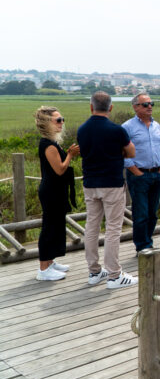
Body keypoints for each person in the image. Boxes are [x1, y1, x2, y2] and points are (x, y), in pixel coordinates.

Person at [77, 91, 138, 289]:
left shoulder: (82, 129)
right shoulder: (117, 130)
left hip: (90, 184)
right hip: (112, 183)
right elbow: (131, 151)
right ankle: (114, 275)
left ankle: (94, 272)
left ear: (91, 107)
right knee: (113, 229)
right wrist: (116, 151)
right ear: (111, 108)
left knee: (91, 227)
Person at [34, 107, 79, 281]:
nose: (62, 123)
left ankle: (50, 261)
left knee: (56, 226)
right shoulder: (48, 145)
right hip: (51, 192)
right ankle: (43, 269)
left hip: (56, 191)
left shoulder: (52, 143)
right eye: (58, 120)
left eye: (62, 119)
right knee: (49, 228)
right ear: (47, 123)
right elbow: (59, 169)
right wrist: (70, 155)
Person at [123, 93, 160, 255]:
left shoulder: (157, 126)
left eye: (151, 103)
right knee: (140, 213)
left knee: (152, 214)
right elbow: (123, 152)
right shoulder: (127, 127)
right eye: (145, 104)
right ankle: (143, 246)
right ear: (135, 107)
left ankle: (148, 242)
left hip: (156, 174)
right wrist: (135, 171)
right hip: (139, 175)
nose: (150, 107)